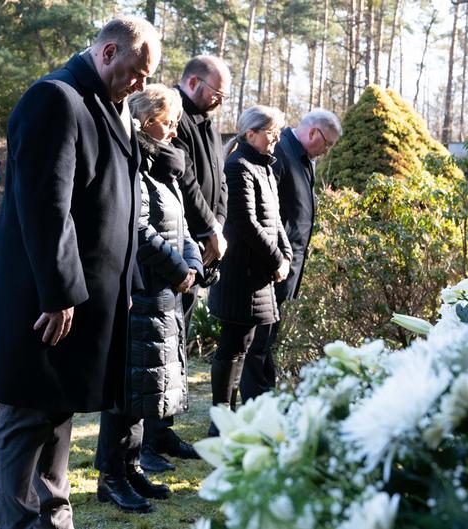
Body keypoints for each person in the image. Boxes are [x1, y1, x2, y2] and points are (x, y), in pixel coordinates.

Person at [0, 16, 160, 526]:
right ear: (110, 52)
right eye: (139, 72)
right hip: (46, 299)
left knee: (57, 411)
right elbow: (46, 206)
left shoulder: (108, 105)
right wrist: (59, 292)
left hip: (82, 300)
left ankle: (53, 516)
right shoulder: (55, 98)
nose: (142, 84)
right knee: (28, 414)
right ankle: (24, 520)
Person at [95, 84, 203, 513]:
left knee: (145, 390)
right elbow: (138, 231)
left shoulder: (161, 168)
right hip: (140, 292)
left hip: (164, 294)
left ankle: (132, 465)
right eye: (168, 122)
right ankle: (111, 475)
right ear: (143, 119)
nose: (174, 132)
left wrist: (191, 265)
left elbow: (185, 228)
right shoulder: (134, 166)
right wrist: (179, 269)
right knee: (127, 392)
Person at [135, 54, 232, 472]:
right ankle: (145, 441)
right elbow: (186, 180)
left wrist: (218, 227)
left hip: (195, 247)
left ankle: (163, 429)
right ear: (194, 83)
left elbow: (219, 179)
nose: (221, 100)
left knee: (175, 342)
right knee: (154, 347)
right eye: (217, 92)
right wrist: (209, 230)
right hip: (175, 248)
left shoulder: (206, 124)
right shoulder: (174, 117)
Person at [240, 109, 342, 402]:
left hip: (288, 264)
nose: (326, 151)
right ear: (314, 133)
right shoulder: (281, 152)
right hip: (272, 264)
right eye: (327, 143)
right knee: (258, 339)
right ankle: (254, 403)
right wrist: (277, 258)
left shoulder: (302, 158)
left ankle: (265, 397)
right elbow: (265, 212)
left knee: (268, 338)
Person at [207, 105, 291, 435]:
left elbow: (275, 221)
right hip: (241, 275)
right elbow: (246, 223)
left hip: (261, 276)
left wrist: (285, 256)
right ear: (251, 134)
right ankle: (220, 421)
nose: (277, 139)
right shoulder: (238, 166)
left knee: (248, 347)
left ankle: (235, 418)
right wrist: (276, 261)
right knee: (233, 346)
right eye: (273, 133)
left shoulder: (265, 168)